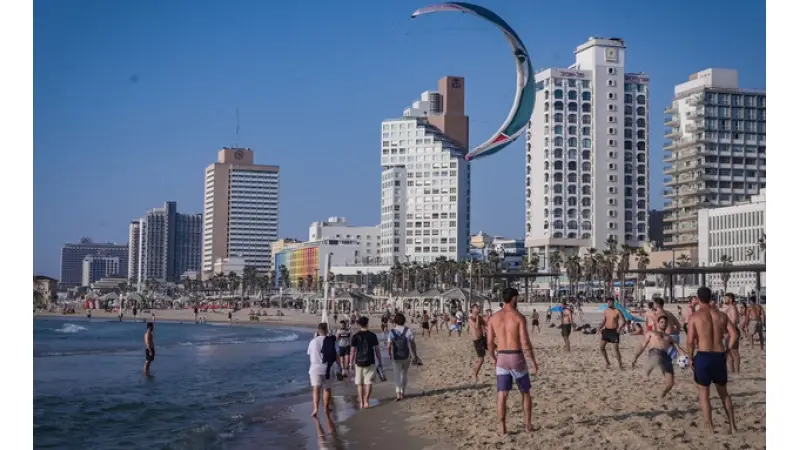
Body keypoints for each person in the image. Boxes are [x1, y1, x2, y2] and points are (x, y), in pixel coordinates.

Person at [487, 288, 538, 435]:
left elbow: (490, 343)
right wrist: (533, 361)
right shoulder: (519, 317)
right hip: (516, 357)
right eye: (518, 297)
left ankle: (502, 427)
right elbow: (525, 343)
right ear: (514, 298)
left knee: (502, 394)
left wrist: (493, 358)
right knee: (525, 392)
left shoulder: (493, 318)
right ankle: (528, 426)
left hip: (502, 357)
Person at [687, 286, 738, 434]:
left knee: (704, 394)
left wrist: (690, 357)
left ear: (698, 298)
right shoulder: (721, 315)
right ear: (711, 297)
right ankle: (733, 426)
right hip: (719, 355)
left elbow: (690, 341)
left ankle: (710, 427)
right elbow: (734, 334)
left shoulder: (695, 316)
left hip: (703, 356)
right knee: (724, 393)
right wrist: (728, 350)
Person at [632, 315, 685, 398]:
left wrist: (688, 357)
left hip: (665, 357)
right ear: (658, 323)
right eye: (662, 322)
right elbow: (643, 345)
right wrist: (635, 357)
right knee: (655, 355)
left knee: (671, 383)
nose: (664, 324)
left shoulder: (669, 337)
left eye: (665, 322)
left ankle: (661, 395)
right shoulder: (651, 333)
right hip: (655, 352)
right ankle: (646, 373)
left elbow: (678, 349)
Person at [349, 316, 382, 409]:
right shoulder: (372, 335)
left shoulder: (355, 336)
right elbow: (377, 350)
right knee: (368, 382)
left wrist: (350, 363)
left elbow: (352, 351)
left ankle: (361, 402)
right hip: (370, 361)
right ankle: (366, 400)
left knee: (359, 383)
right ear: (367, 324)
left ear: (359, 324)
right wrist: (380, 361)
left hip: (358, 361)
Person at [386, 313, 418, 401]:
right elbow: (412, 343)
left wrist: (389, 354)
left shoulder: (392, 332)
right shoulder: (408, 330)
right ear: (404, 321)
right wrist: (415, 355)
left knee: (397, 375)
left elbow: (388, 346)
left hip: (396, 357)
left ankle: (398, 393)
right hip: (406, 356)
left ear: (395, 321)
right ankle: (403, 391)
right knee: (404, 374)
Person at [307, 322, 335, 417]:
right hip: (327, 368)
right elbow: (335, 355)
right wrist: (341, 367)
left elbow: (310, 355)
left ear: (318, 331)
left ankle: (315, 408)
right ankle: (326, 408)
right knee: (327, 389)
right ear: (327, 330)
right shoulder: (330, 341)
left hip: (315, 368)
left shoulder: (312, 341)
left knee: (316, 389)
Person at [599, 297, 625, 369]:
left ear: (613, 303)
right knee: (601, 347)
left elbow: (623, 321)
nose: (609, 303)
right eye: (608, 302)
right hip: (606, 331)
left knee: (616, 349)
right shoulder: (606, 311)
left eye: (610, 302)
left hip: (614, 331)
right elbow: (604, 321)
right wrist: (599, 327)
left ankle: (620, 365)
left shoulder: (617, 311)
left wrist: (619, 328)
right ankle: (607, 362)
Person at [722, 293, 741, 373]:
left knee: (734, 352)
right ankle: (732, 371)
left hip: (732, 331)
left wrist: (727, 330)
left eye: (726, 298)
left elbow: (734, 321)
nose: (724, 300)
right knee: (728, 352)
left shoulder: (733, 308)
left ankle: (737, 371)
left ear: (730, 299)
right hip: (728, 332)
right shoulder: (729, 308)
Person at [469, 303, 488, 383]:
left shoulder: (479, 317)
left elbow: (486, 324)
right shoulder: (471, 318)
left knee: (496, 348)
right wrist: (477, 317)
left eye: (479, 308)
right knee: (481, 359)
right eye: (477, 308)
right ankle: (474, 374)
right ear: (472, 309)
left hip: (483, 338)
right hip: (477, 341)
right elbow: (477, 326)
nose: (479, 309)